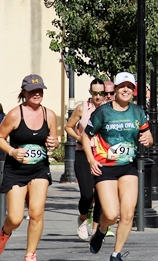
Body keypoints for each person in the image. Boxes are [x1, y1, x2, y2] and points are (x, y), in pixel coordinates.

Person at [82, 72, 153, 261]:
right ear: (115, 89)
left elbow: (148, 134)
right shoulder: (103, 112)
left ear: (133, 90)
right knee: (112, 214)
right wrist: (91, 159)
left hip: (128, 167)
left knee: (128, 214)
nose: (126, 90)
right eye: (122, 86)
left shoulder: (137, 111)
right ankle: (101, 230)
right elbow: (86, 135)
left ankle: (116, 254)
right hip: (105, 167)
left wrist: (148, 139)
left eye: (130, 87)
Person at [0, 75, 58, 261]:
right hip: (16, 170)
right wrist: (12, 152)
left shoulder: (49, 114)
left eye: (40, 90)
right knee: (15, 218)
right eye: (32, 91)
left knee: (36, 213)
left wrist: (55, 143)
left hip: (39, 169)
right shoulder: (14, 114)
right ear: (24, 92)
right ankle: (5, 232)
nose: (37, 94)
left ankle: (30, 254)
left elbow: (54, 140)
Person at [65, 78, 106, 240]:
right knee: (88, 194)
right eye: (95, 93)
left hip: (102, 155)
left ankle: (96, 228)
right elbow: (68, 127)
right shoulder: (82, 109)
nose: (98, 96)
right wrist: (79, 138)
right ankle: (82, 218)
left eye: (101, 93)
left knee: (102, 194)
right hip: (83, 154)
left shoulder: (108, 110)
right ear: (90, 93)